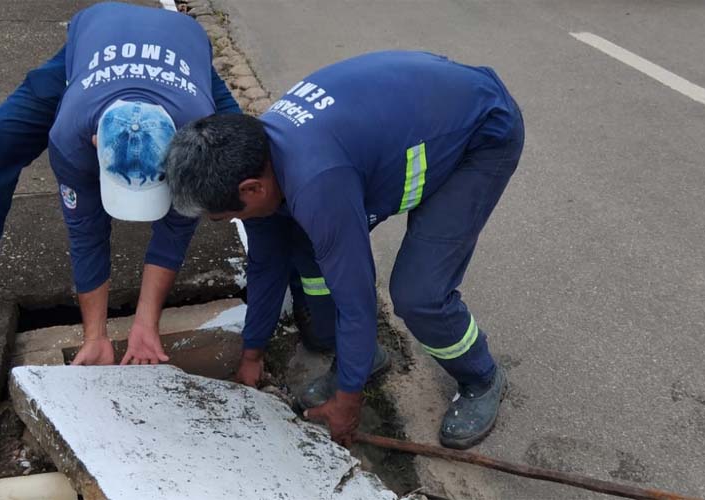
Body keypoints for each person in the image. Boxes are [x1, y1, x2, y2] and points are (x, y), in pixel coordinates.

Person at [164, 51, 525, 449]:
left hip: (479, 134)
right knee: (306, 254)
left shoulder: (318, 185)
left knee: (418, 293)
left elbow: (356, 299)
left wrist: (347, 403)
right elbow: (266, 266)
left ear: (252, 189)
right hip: (416, 120)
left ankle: (481, 376)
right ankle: (363, 357)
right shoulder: (253, 154)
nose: (221, 221)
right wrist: (252, 354)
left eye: (222, 215)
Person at [0, 2, 242, 366]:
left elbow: (175, 231)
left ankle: (309, 292)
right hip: (99, 42)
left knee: (249, 166)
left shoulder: (196, 132)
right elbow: (86, 231)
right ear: (95, 143)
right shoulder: (71, 134)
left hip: (182, 50)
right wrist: (94, 336)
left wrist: (147, 323)